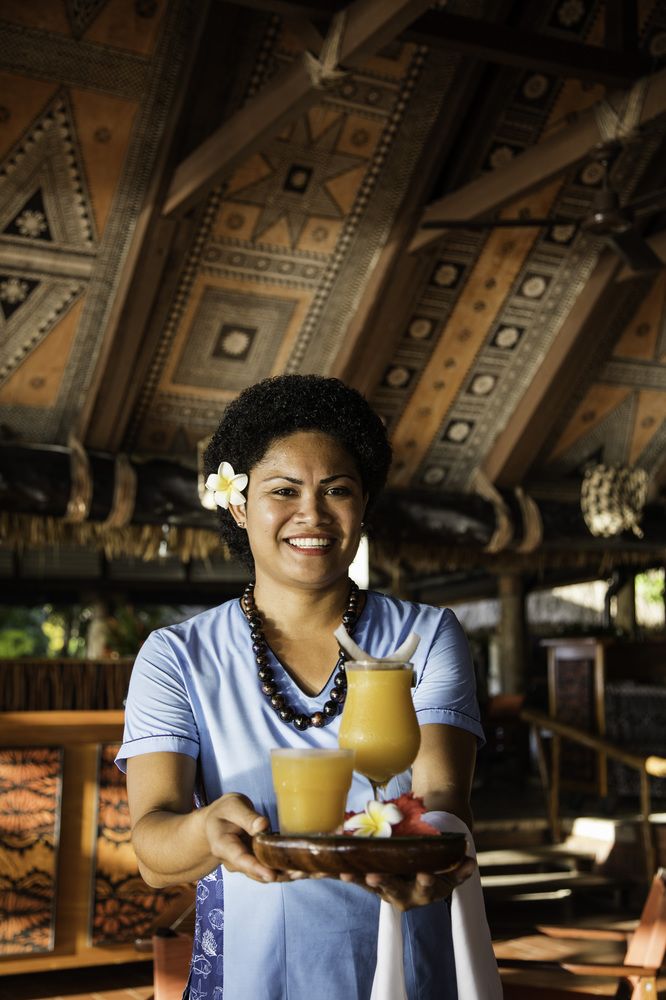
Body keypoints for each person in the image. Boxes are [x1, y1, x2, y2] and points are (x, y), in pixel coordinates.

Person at [116, 374, 485, 1000]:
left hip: (403, 966)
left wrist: (432, 855)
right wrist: (207, 830)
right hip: (251, 977)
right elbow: (153, 852)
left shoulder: (424, 636)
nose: (311, 514)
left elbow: (443, 798)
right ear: (238, 504)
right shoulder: (175, 657)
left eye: (336, 490)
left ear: (363, 503)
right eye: (283, 490)